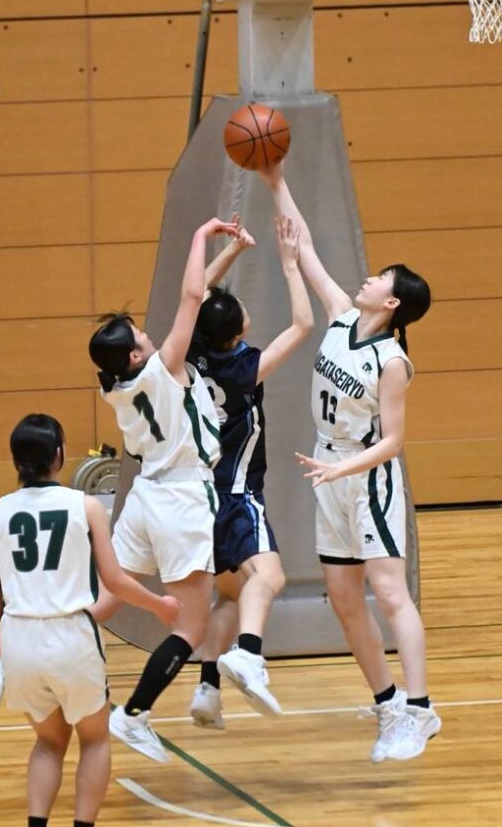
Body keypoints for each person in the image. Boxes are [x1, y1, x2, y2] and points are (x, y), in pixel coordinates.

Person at [260, 163, 441, 763]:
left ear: (392, 302)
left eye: (380, 276)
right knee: (342, 597)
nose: (367, 276)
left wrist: (346, 470)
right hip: (329, 471)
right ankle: (388, 703)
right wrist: (276, 181)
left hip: (368, 479)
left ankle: (421, 710)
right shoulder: (341, 315)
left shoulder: (392, 361)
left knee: (389, 593)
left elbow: (394, 441)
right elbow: (306, 245)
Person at [0, 413, 180, 827]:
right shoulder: (85, 506)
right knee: (94, 738)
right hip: (71, 637)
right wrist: (158, 605)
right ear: (58, 454)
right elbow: (115, 581)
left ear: (16, 460)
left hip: (19, 640)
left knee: (49, 742)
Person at [88, 216, 239, 763]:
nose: (149, 336)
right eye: (140, 337)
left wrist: (230, 254)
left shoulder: (115, 386)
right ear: (136, 356)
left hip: (144, 497)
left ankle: (29, 642)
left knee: (107, 598)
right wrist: (201, 236)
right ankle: (135, 713)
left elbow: (194, 300)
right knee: (191, 627)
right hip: (180, 499)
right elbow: (192, 296)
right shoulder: (161, 369)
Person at [187, 214, 313, 728]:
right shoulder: (244, 368)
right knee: (270, 577)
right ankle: (249, 654)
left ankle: (207, 689)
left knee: (231, 593)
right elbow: (303, 325)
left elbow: (196, 293)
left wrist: (234, 248)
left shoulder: (192, 352)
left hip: (200, 496)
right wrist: (290, 264)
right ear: (238, 329)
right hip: (237, 493)